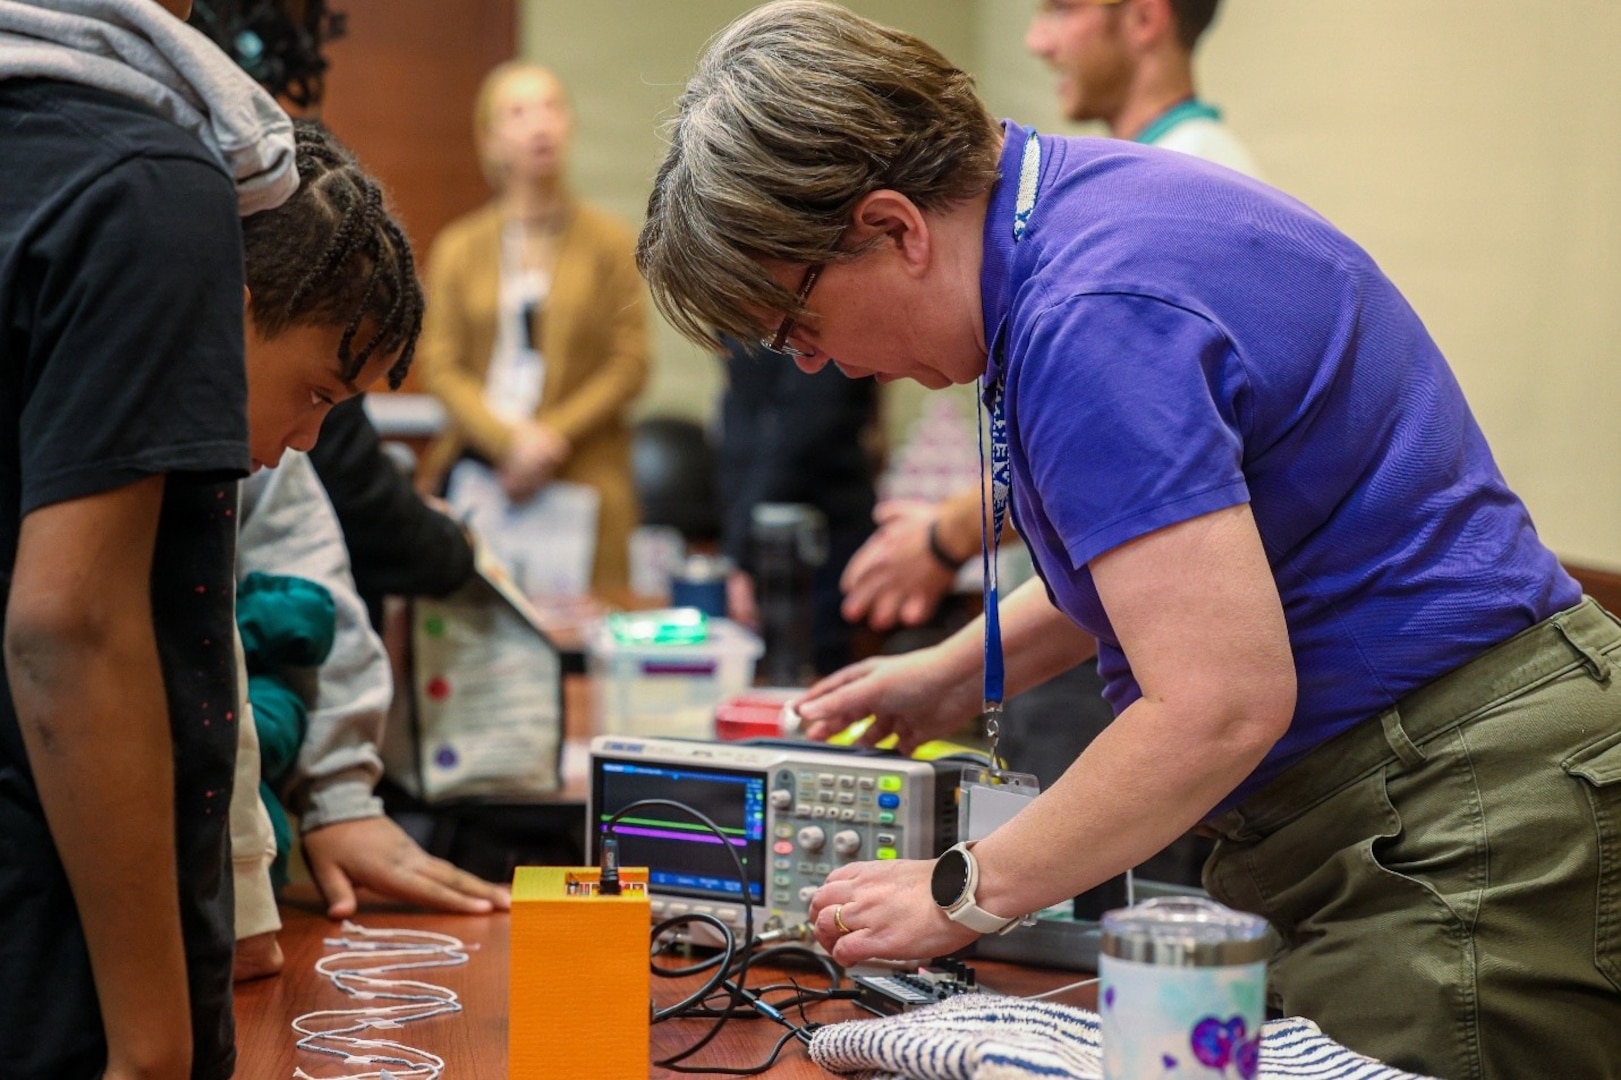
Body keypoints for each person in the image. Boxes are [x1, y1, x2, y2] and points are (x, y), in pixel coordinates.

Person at [633, 3, 1621, 1076]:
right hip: (1414, 788)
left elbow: (1218, 702)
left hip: (1460, 809)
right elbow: (1177, 562)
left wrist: (959, 888)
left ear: (893, 228)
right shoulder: (1070, 214)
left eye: (798, 324)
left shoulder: (1088, 313)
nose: (812, 364)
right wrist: (951, 671)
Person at [0, 4, 405, 1077]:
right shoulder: (152, 189)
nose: (303, 443)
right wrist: (152, 1048)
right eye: (314, 397)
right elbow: (69, 632)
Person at [844, 0, 1259, 635]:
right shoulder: (1114, 180)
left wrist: (947, 535)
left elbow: (1125, 449)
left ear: (1146, 18)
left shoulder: (1177, 188)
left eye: (1062, 10)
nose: (1038, 40)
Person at [417, 60, 649, 591]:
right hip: (484, 474)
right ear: (490, 138)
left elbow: (631, 364)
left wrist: (548, 438)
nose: (539, 125)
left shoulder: (609, 242)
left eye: (550, 108)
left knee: (582, 645)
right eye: (519, 113)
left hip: (583, 474)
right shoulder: (460, 247)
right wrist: (508, 441)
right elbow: (441, 365)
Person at [716, 337, 879, 676]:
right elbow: (743, 409)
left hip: (817, 530)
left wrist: (741, 546)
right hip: (754, 513)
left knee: (814, 680)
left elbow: (811, 417)